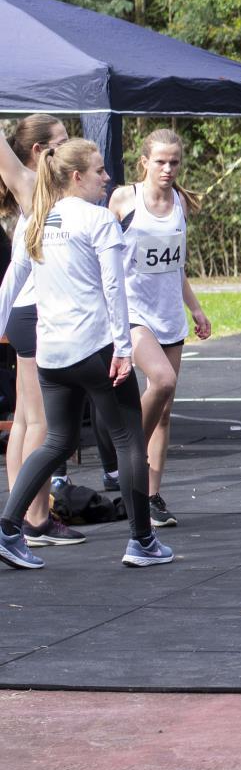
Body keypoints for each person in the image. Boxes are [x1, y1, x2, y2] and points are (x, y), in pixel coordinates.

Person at [0, 138, 172, 568]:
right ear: (76, 177)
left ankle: (6, 529)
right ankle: (141, 542)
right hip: (95, 350)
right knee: (130, 440)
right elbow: (114, 288)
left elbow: (11, 283)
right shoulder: (98, 220)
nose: (106, 177)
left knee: (57, 441)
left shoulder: (36, 219)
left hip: (53, 355)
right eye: (98, 171)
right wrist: (122, 348)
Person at [107, 128, 212, 530]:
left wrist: (197, 309)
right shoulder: (123, 199)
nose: (168, 169)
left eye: (174, 162)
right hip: (134, 313)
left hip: (170, 314)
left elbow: (177, 265)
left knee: (165, 412)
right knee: (162, 381)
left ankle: (149, 495)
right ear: (144, 163)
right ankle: (129, 451)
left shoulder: (181, 202)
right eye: (161, 162)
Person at [0, 115, 85, 547]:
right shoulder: (32, 185)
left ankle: (22, 515)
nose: (71, 145)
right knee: (39, 422)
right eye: (62, 141)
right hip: (33, 312)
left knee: (24, 420)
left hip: (26, 311)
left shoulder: (53, 191)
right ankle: (32, 520)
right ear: (38, 152)